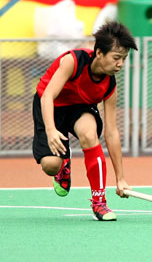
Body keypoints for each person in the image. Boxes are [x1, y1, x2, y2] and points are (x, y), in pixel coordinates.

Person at [32, 21, 137, 221]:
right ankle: (63, 166)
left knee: (89, 135)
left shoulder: (109, 85)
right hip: (50, 104)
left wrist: (121, 178)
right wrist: (51, 130)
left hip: (80, 107)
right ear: (99, 53)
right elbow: (47, 97)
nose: (120, 64)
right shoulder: (74, 61)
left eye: (124, 59)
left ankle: (99, 202)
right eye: (116, 58)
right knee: (50, 165)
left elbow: (112, 132)